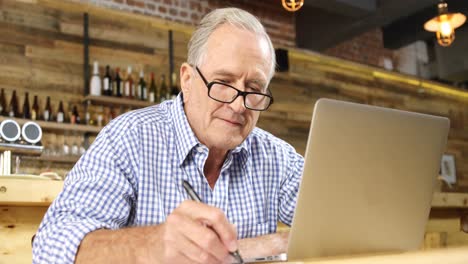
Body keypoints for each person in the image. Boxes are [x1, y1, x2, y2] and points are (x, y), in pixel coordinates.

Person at [33, 7, 304, 264]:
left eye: (254, 88)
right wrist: (151, 245)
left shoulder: (277, 157)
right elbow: (51, 244)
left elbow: (338, 222)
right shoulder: (128, 138)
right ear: (187, 80)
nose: (237, 105)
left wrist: (255, 247)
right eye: (223, 83)